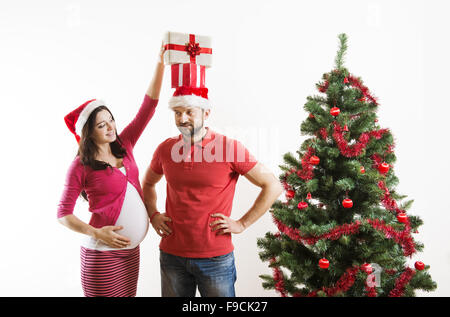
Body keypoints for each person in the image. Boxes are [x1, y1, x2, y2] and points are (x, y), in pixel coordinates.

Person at [142, 86, 283, 297]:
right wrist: (153, 215)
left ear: (206, 113)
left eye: (189, 112)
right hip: (172, 256)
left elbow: (272, 185)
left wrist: (242, 223)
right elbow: (148, 184)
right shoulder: (165, 149)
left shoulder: (230, 148)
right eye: (177, 113)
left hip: (215, 259)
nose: (182, 118)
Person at [57, 44, 165, 297]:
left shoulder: (124, 145)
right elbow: (63, 214)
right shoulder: (80, 165)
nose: (110, 128)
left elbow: (148, 108)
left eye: (111, 120)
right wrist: (96, 233)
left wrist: (160, 63)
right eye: (101, 125)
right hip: (101, 255)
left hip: (130, 253)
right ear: (88, 133)